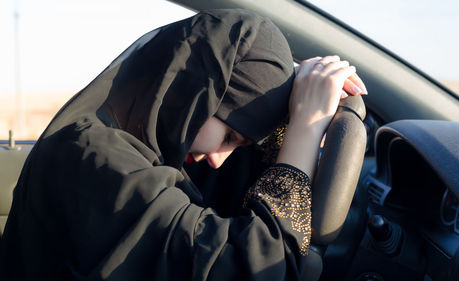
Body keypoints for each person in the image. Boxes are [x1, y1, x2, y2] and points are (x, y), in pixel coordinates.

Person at [0, 9, 366, 281]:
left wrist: (289, 98)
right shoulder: (97, 161)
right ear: (194, 95)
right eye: (229, 137)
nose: (219, 161)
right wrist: (305, 126)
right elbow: (252, 270)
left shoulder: (126, 145)